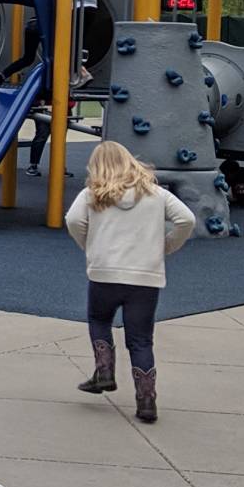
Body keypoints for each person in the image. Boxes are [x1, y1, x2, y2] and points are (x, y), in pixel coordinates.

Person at [64, 142, 195, 424]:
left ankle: (104, 370)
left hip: (105, 273)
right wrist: (166, 245)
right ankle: (146, 400)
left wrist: (90, 246)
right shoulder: (156, 193)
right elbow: (187, 219)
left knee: (99, 320)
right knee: (140, 340)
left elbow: (73, 220)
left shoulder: (92, 194)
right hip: (145, 277)